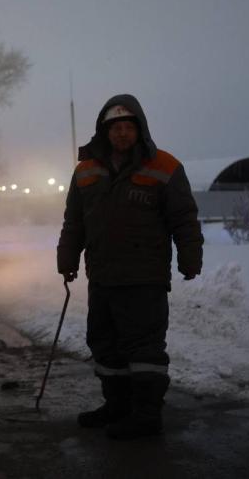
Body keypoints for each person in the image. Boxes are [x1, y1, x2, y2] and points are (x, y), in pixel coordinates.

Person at [57, 94, 203, 440]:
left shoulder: (164, 167)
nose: (122, 134)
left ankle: (147, 415)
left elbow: (183, 218)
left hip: (144, 278)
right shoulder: (86, 170)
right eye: (115, 128)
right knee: (105, 345)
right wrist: (67, 258)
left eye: (128, 127)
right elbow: (74, 222)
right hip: (103, 276)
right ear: (104, 132)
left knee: (143, 349)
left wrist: (189, 256)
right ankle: (118, 406)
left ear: (140, 130)